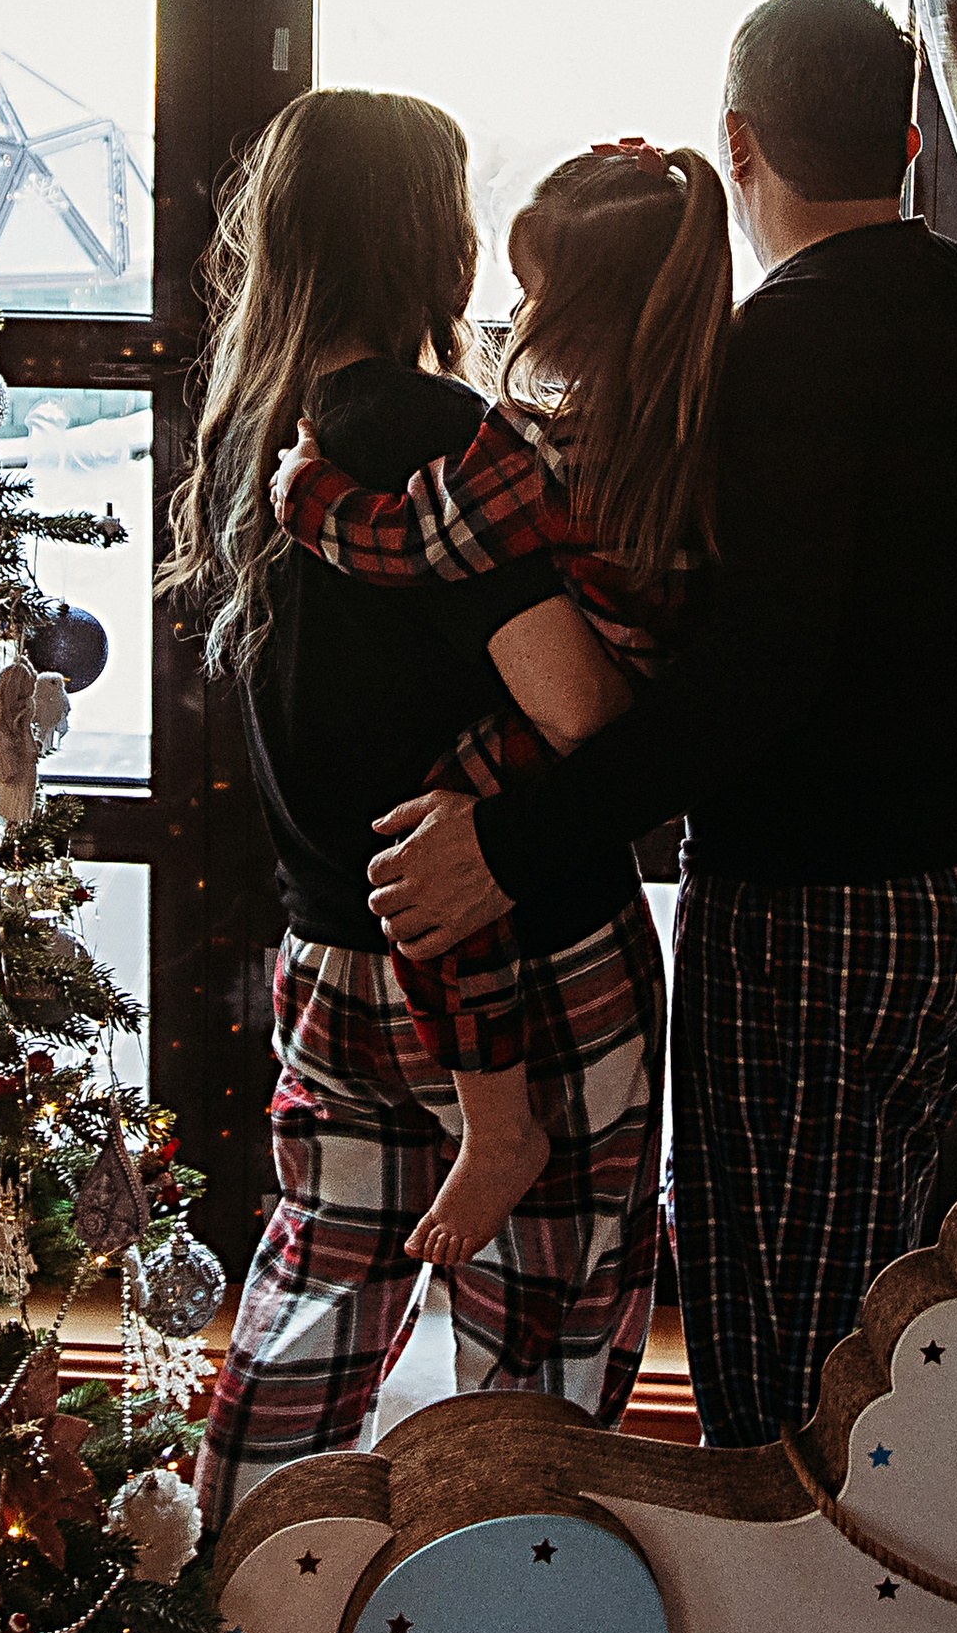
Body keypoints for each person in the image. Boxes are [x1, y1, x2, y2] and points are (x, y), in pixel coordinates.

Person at [366, 0, 957, 1492]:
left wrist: (508, 841)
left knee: (780, 1362)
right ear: (912, 135)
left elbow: (759, 676)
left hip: (814, 914)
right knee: (879, 1322)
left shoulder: (788, 350)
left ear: (739, 140)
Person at [159, 88, 668, 1542]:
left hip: (330, 960)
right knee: (540, 1356)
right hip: (523, 946)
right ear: (429, 242)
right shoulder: (420, 430)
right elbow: (578, 711)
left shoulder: (254, 425)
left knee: (310, 1314)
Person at [268, 138, 729, 1267]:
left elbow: (413, 541)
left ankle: (500, 1124)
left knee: (448, 850)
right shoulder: (689, 417)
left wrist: (310, 494)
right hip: (631, 722)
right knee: (549, 1334)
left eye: (531, 290)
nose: (510, 309)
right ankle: (499, 1128)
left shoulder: (510, 448)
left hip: (386, 894)